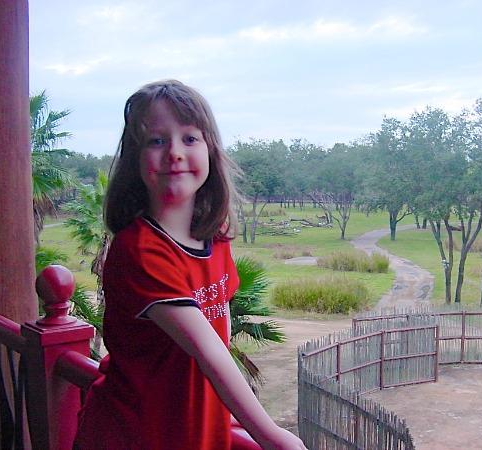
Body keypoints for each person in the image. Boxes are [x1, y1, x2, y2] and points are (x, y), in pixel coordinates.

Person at [74, 80, 307, 450]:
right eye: (156, 140)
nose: (175, 153)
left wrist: (226, 417)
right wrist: (270, 434)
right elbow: (208, 349)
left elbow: (221, 331)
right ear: (135, 159)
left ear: (211, 151)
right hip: (136, 434)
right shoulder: (141, 250)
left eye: (190, 138)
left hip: (196, 429)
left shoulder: (216, 238)